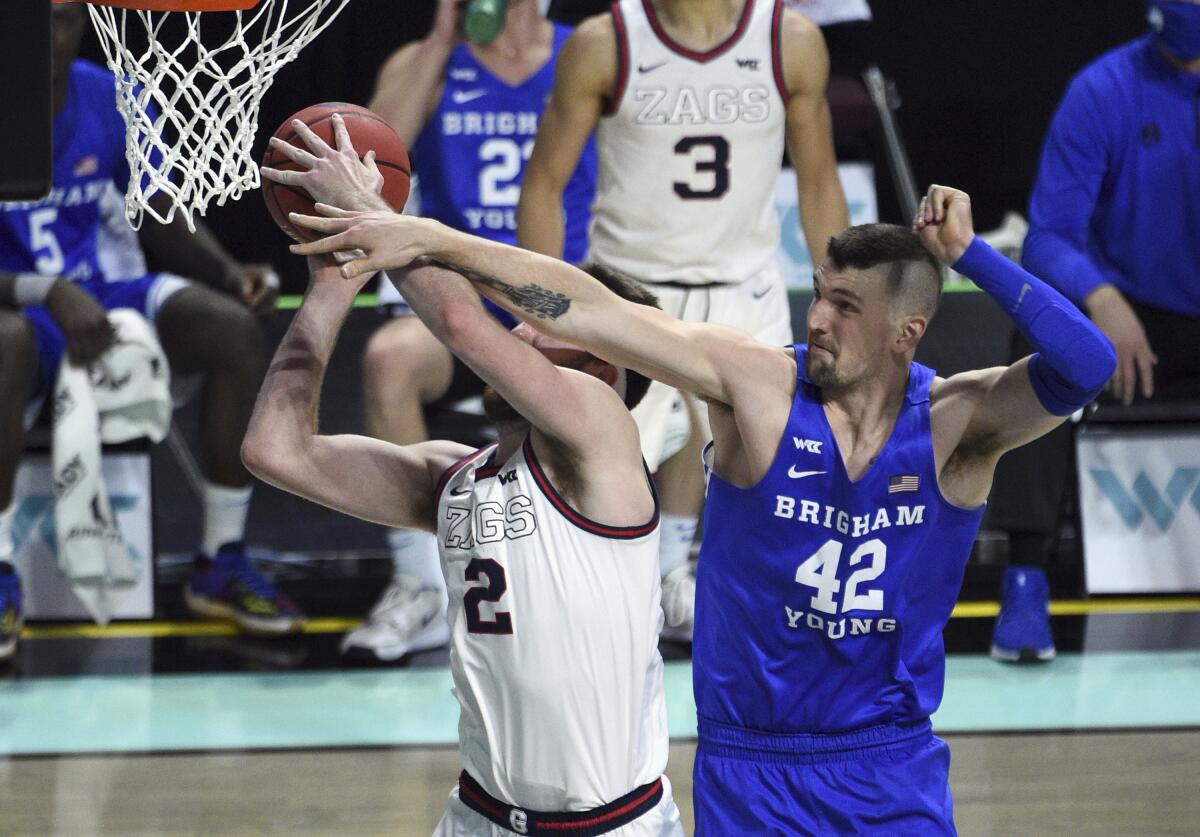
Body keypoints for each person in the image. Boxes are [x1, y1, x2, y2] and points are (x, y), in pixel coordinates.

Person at [285, 180, 1115, 831]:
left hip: (889, 763)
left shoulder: (957, 424)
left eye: (845, 307)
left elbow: (1087, 362)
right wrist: (430, 238)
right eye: (818, 293)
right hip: (750, 764)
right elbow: (591, 308)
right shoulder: (757, 383)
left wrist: (972, 255)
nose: (816, 318)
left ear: (908, 332)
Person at [252, 114, 681, 835]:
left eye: (538, 324)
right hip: (476, 816)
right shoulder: (451, 478)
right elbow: (276, 450)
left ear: (604, 367)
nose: (516, 328)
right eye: (516, 319)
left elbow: (460, 323)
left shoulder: (606, 432)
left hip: (612, 824)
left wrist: (373, 217)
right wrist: (331, 282)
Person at [517, 0, 849, 641]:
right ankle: (591, 612)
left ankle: (682, 582)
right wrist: (546, 312)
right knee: (597, 471)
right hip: (628, 295)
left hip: (746, 293)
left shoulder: (791, 41)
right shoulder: (604, 42)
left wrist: (840, 300)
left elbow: (817, 181)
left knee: (769, 484)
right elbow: (544, 184)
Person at [0, 4, 302, 661]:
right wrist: (43, 291)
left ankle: (220, 557)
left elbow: (159, 211)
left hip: (103, 294)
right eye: (37, 21)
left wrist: (228, 272)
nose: (50, 38)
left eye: (63, 20)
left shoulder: (107, 95)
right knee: (6, 342)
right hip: (17, 307)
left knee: (230, 330)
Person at [347, 0, 597, 662]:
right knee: (389, 358)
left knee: (686, 326)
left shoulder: (590, 51)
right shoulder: (428, 60)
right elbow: (367, 167)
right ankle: (421, 584)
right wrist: (438, 41)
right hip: (461, 299)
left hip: (565, 295)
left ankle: (663, 572)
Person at [987, 0, 1200, 663]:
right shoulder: (1102, 89)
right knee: (1038, 349)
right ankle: (1025, 581)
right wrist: (1101, 295)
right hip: (1134, 313)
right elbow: (1048, 236)